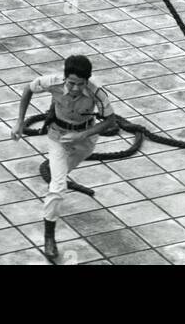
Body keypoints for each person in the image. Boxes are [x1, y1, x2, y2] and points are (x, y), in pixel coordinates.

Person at [12, 54, 116, 263]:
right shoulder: (52, 82)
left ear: (87, 80)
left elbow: (111, 120)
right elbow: (28, 89)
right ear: (64, 77)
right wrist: (19, 123)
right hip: (58, 134)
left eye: (80, 84)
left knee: (60, 175)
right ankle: (49, 237)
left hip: (85, 138)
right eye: (71, 83)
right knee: (58, 186)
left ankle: (55, 178)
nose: (75, 88)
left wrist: (82, 135)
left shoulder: (97, 91)